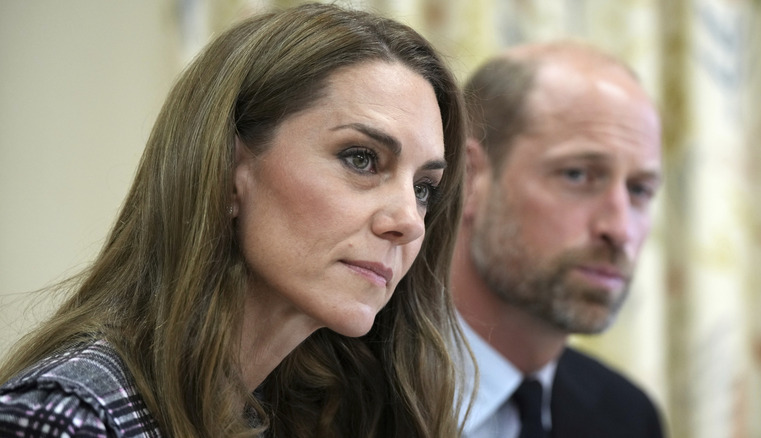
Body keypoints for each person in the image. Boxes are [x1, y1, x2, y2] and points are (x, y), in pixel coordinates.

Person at [0, 3, 472, 437]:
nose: (409, 221)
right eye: (361, 159)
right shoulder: (68, 421)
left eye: (423, 188)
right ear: (228, 171)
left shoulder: (307, 415)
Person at [453, 41, 665, 438]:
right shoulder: (328, 395)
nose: (620, 230)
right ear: (467, 179)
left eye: (639, 190)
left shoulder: (629, 417)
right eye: (577, 175)